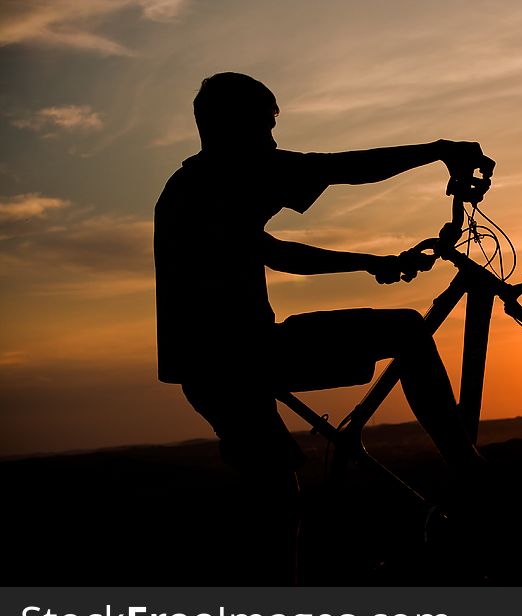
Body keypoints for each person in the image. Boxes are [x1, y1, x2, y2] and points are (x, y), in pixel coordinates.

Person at [154, 73, 492, 521]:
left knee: (277, 495)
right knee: (408, 330)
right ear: (229, 126)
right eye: (264, 127)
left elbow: (285, 238)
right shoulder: (226, 176)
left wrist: (372, 262)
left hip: (218, 368)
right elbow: (339, 171)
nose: (273, 141)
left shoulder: (198, 184)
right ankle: (473, 472)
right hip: (242, 359)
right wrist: (437, 151)